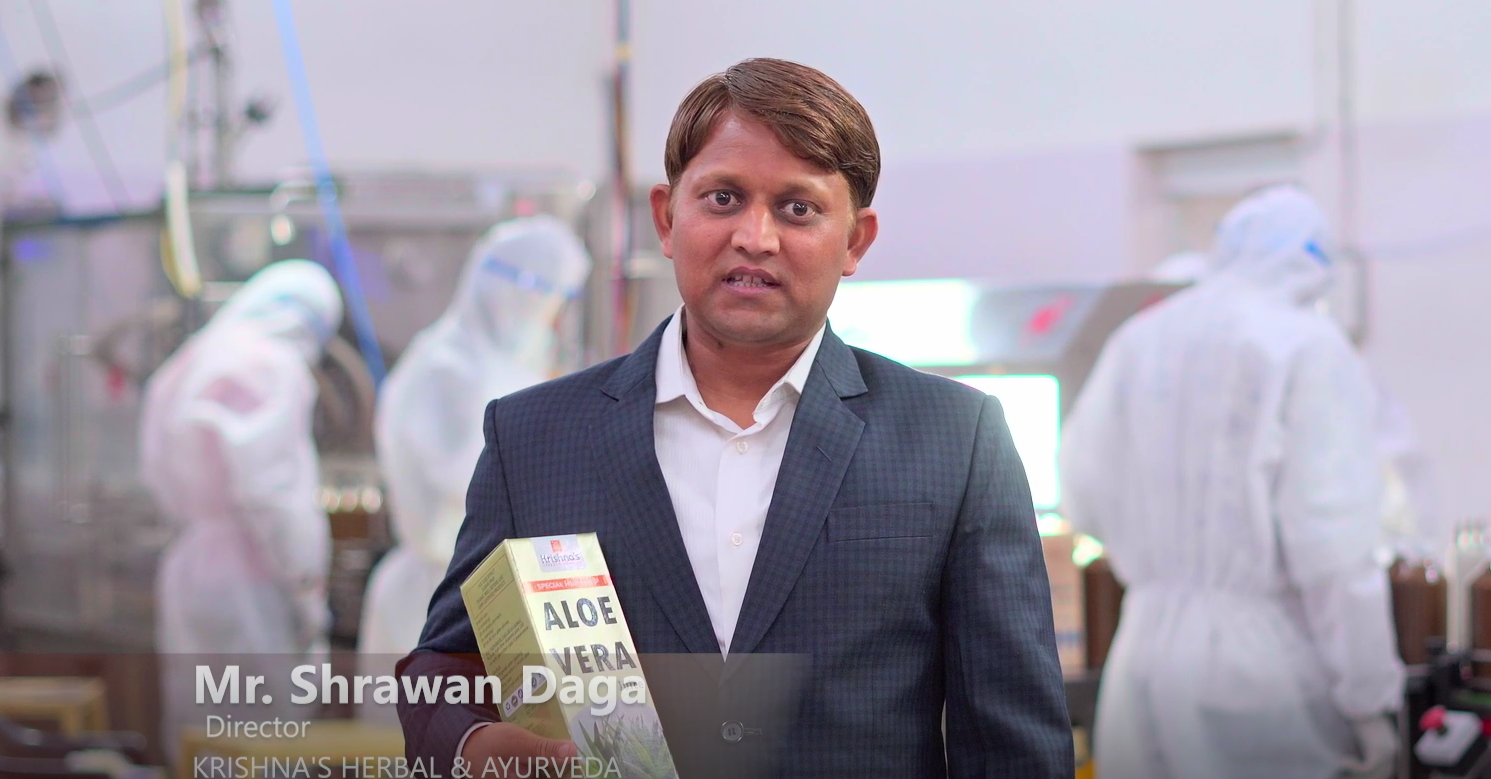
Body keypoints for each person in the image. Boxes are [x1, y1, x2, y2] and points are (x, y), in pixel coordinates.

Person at [397, 58, 1072, 777]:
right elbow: (444, 666)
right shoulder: (534, 438)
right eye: (723, 198)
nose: (755, 236)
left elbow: (1012, 742)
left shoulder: (954, 439)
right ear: (667, 217)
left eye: (797, 208)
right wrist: (472, 743)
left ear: (855, 240)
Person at [1059, 185, 1404, 779]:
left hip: (1140, 661)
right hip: (1258, 674)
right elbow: (1333, 548)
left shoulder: (1139, 339)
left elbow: (1082, 495)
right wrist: (1370, 700)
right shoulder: (1306, 344)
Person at [357, 215, 592, 722]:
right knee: (433, 742)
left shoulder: (504, 363)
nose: (547, 316)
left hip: (502, 599)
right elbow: (474, 488)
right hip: (440, 596)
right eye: (545, 296)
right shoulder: (447, 369)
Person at [140, 259, 343, 751]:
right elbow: (271, 492)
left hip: (190, 567)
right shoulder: (271, 363)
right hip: (249, 577)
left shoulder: (193, 358)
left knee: (199, 730)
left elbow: (155, 468)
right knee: (260, 736)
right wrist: (305, 584)